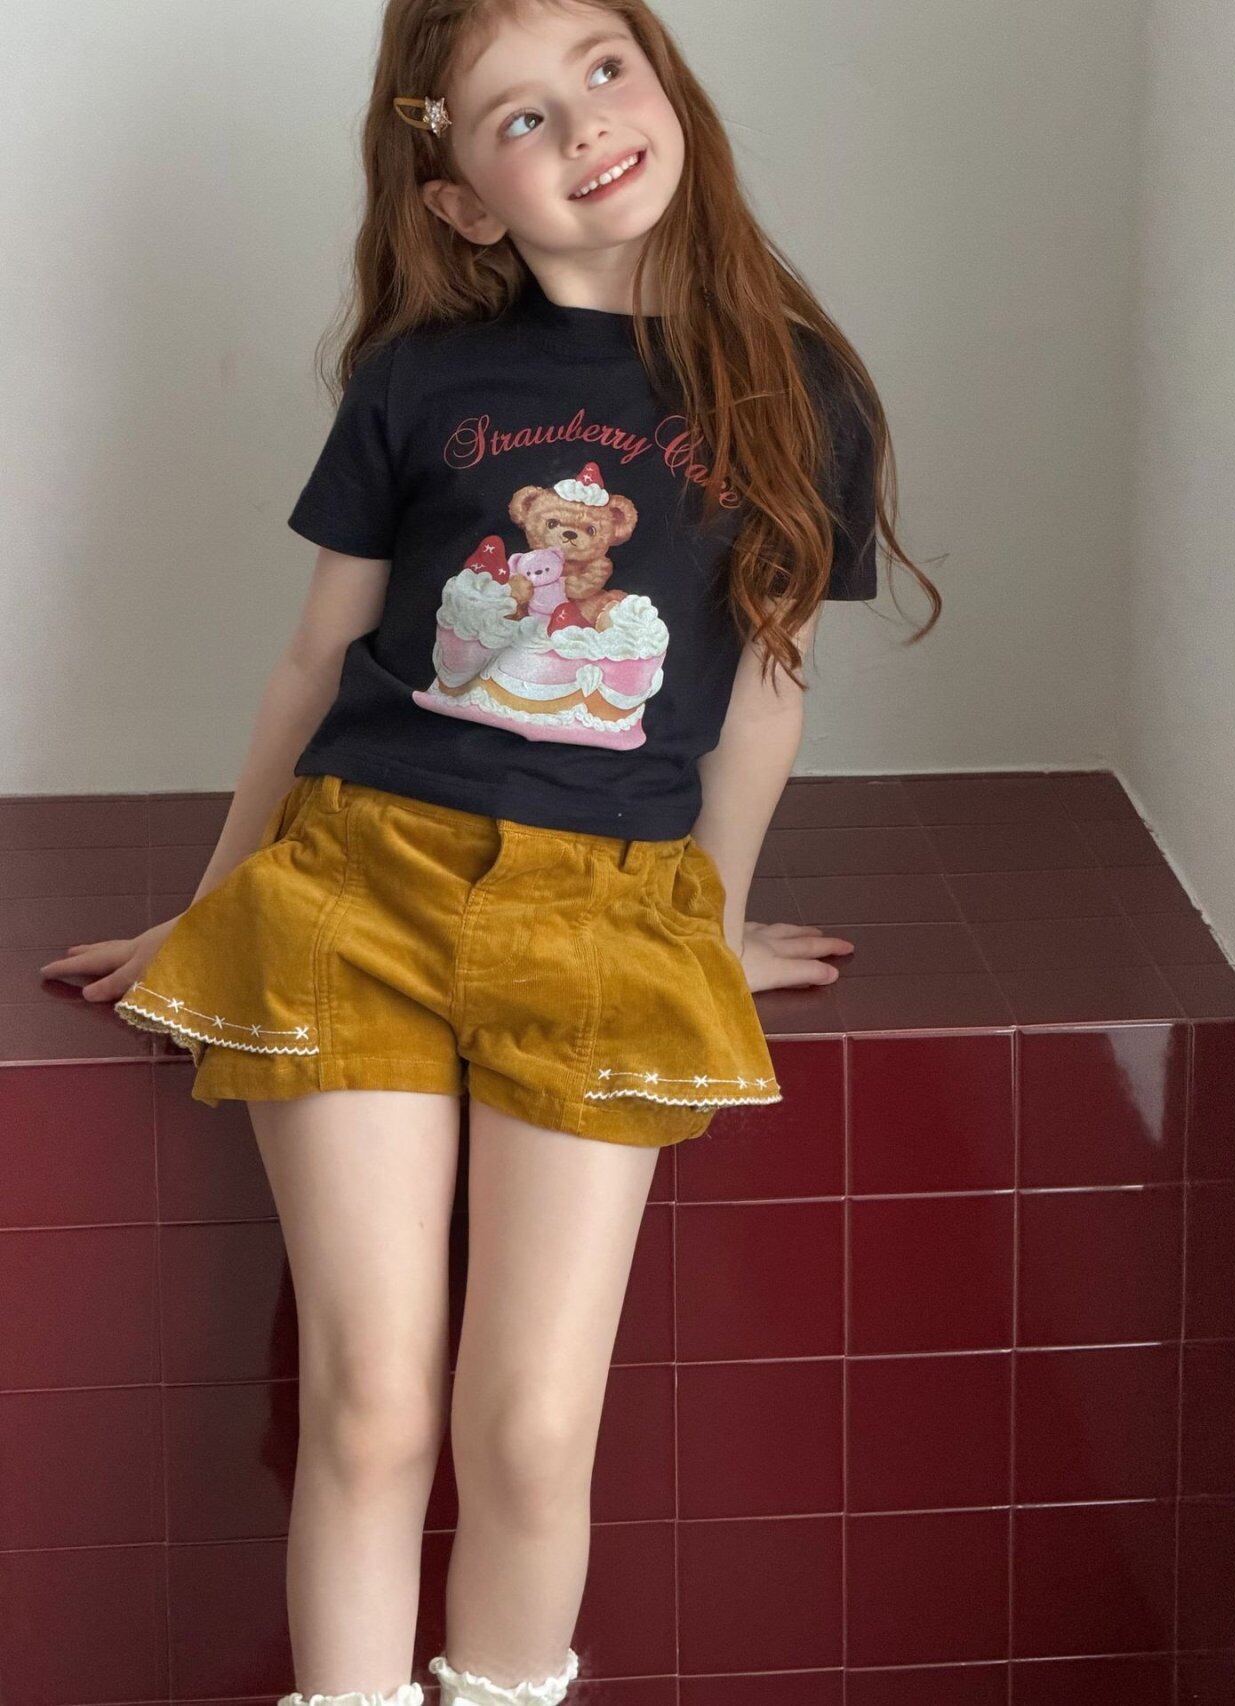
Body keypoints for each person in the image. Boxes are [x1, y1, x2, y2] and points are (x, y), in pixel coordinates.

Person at [40, 0, 937, 1700]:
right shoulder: (420, 381)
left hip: (605, 915)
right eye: (519, 117)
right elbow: (317, 659)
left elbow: (766, 696)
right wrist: (217, 904)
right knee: (372, 1404)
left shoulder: (797, 389)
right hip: (360, 885)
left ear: (663, 80)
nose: (585, 122)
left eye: (603, 68)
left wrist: (706, 927)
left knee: (529, 1424)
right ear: (459, 200)